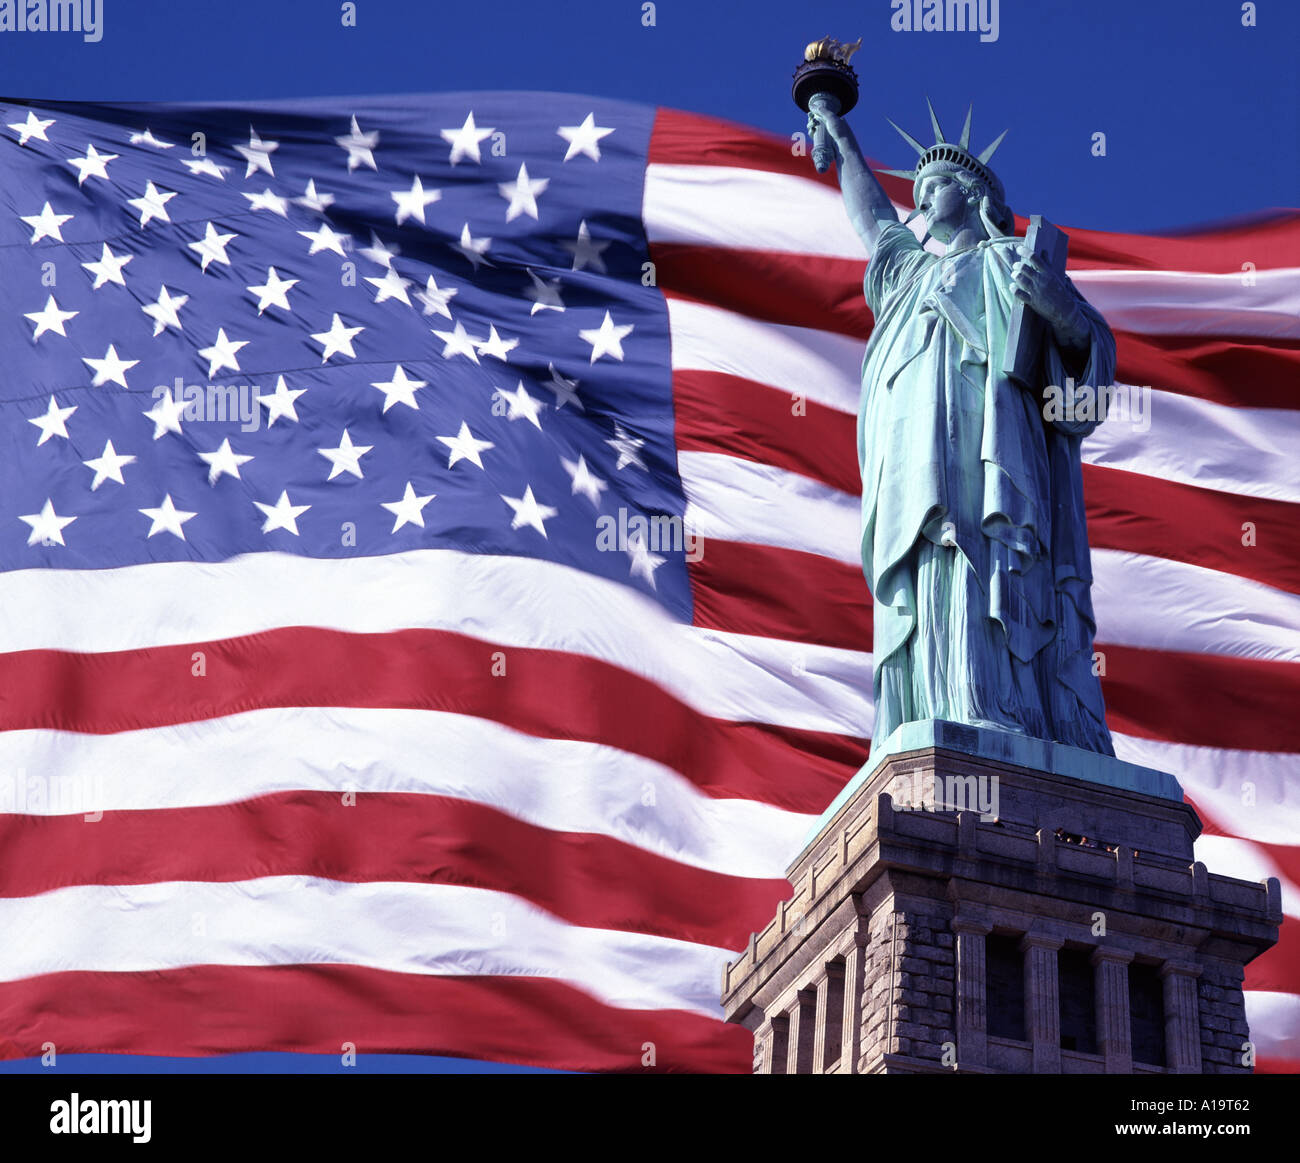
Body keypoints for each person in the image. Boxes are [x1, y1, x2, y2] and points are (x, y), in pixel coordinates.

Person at [806, 101, 1116, 757]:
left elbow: (1084, 390)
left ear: (973, 194)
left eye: (934, 186)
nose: (920, 200)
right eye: (915, 192)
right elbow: (875, 223)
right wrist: (840, 136)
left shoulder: (1012, 264)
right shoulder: (907, 274)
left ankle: (992, 707)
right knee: (931, 556)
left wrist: (1065, 317)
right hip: (913, 453)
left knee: (980, 552)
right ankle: (930, 709)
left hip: (993, 450)